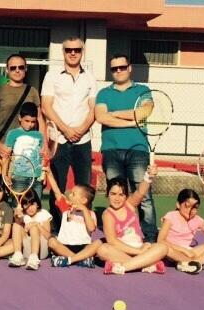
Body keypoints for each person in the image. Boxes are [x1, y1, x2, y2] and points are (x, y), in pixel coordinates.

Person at [94, 53, 158, 242]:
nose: (119, 71)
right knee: (117, 195)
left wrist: (115, 114)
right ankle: (119, 234)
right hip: (111, 150)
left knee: (143, 195)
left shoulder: (143, 90)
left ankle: (150, 236)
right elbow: (101, 117)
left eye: (122, 67)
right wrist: (132, 122)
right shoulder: (103, 93)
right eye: (114, 68)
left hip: (138, 149)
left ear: (129, 68)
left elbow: (144, 112)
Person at [41, 37, 98, 231]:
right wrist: (65, 129)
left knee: (84, 188)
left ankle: (82, 228)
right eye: (68, 50)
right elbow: (46, 106)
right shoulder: (51, 76)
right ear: (63, 52)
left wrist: (82, 129)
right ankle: (58, 227)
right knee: (57, 185)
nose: (72, 53)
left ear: (82, 52)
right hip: (59, 139)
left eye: (77, 50)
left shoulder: (90, 77)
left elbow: (93, 108)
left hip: (83, 140)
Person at [96, 170, 169, 275]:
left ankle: (124, 266)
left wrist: (148, 176)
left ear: (126, 196)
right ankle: (146, 264)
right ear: (107, 194)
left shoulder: (129, 205)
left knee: (163, 247)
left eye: (121, 195)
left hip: (139, 247)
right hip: (123, 251)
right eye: (113, 194)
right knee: (102, 250)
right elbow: (112, 241)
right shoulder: (107, 214)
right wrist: (139, 253)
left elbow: (140, 191)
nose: (117, 198)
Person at [0, 54, 43, 163]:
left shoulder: (32, 91)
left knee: (25, 179)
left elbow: (39, 118)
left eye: (21, 67)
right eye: (13, 68)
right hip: (5, 148)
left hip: (27, 149)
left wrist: (42, 144)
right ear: (7, 70)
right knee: (3, 178)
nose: (17, 71)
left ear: (26, 69)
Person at [45, 166, 102, 268]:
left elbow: (91, 228)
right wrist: (49, 174)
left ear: (84, 200)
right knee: (52, 242)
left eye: (73, 194)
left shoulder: (90, 214)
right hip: (65, 245)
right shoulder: (66, 208)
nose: (69, 195)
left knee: (96, 244)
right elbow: (57, 192)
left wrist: (84, 210)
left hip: (83, 246)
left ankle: (67, 259)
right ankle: (80, 260)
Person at [157, 189, 204, 274]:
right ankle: (194, 262)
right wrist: (183, 250)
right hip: (172, 251)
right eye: (187, 206)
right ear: (178, 204)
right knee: (165, 249)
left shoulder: (198, 220)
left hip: (189, 252)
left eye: (194, 208)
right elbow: (160, 241)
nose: (190, 210)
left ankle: (192, 262)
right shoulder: (170, 216)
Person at [2, 102, 45, 198]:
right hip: (18, 177)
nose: (30, 124)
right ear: (20, 118)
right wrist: (5, 175)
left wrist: (43, 174)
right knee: (18, 208)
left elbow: (42, 157)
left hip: (36, 179)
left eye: (33, 122)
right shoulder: (13, 134)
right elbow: (6, 156)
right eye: (27, 121)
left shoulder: (39, 135)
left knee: (35, 208)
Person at [8, 190, 52, 271]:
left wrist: (35, 224)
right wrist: (17, 216)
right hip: (26, 251)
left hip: (41, 252)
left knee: (33, 227)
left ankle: (34, 258)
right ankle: (18, 255)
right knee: (16, 225)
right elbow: (18, 222)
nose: (30, 208)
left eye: (32, 204)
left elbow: (48, 236)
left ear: (37, 204)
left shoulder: (44, 213)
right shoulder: (23, 215)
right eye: (26, 205)